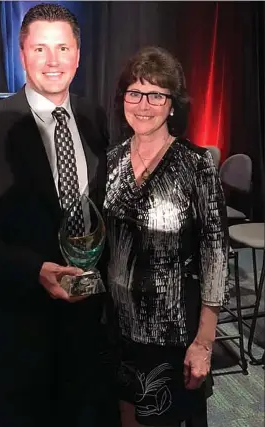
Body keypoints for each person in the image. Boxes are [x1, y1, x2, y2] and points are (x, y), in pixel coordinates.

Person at [0, 4, 119, 427]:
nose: (52, 61)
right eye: (40, 48)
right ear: (22, 54)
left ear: (78, 54)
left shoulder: (93, 117)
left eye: (62, 48)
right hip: (16, 326)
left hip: (86, 322)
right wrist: (33, 268)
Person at [103, 46, 229, 427]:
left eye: (157, 94)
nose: (144, 104)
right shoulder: (110, 161)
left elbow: (215, 253)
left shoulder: (196, 165)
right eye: (135, 92)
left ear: (173, 105)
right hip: (117, 330)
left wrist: (204, 341)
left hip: (173, 333)